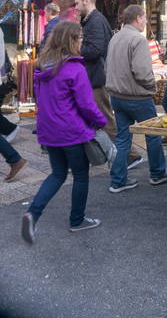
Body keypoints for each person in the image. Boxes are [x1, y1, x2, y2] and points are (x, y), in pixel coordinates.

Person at [21, 21, 106, 244]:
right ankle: (77, 220)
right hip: (72, 132)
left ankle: (33, 213)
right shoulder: (75, 69)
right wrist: (101, 121)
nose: (82, 43)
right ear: (71, 41)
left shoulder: (43, 67)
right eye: (79, 39)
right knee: (80, 175)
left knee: (57, 174)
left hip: (49, 131)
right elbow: (87, 105)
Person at [75, 0, 142, 169]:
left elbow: (95, 50)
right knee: (96, 117)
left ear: (87, 1)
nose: (75, 7)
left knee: (104, 118)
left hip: (97, 77)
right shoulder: (92, 20)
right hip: (93, 76)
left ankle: (131, 155)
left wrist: (77, 49)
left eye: (77, 3)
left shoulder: (95, 21)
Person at [106, 5, 167, 193]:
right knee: (152, 135)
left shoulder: (116, 37)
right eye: (144, 18)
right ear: (138, 18)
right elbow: (142, 71)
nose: (145, 22)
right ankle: (157, 173)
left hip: (117, 95)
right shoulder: (137, 39)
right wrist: (152, 86)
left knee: (123, 138)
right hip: (137, 96)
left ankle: (118, 180)